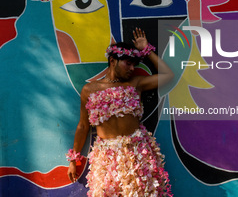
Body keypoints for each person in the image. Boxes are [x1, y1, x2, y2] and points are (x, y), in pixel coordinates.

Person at [67, 27, 174, 196]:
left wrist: (147, 50)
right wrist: (74, 159)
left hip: (137, 154)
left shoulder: (136, 83)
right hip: (106, 159)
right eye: (128, 63)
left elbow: (169, 76)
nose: (132, 68)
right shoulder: (90, 89)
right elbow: (82, 126)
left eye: (134, 65)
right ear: (112, 60)